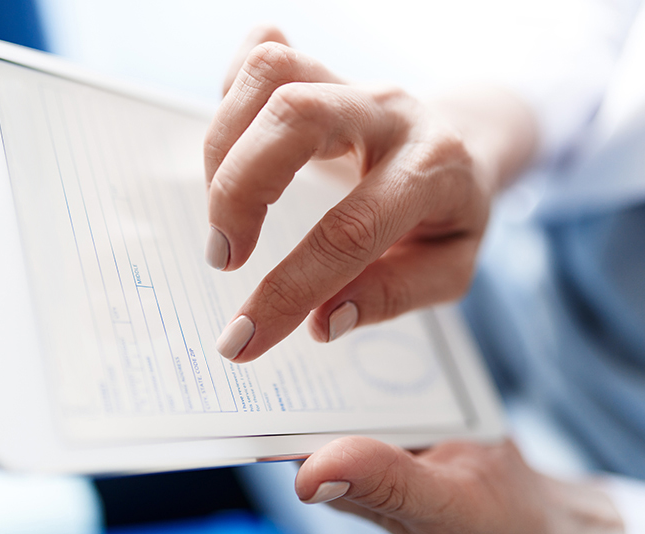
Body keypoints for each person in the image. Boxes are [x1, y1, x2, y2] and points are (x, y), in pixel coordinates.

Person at [205, 8, 645, 531]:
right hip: (474, 278)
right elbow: (611, 35)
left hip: (581, 467)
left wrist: (589, 519)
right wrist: (460, 140)